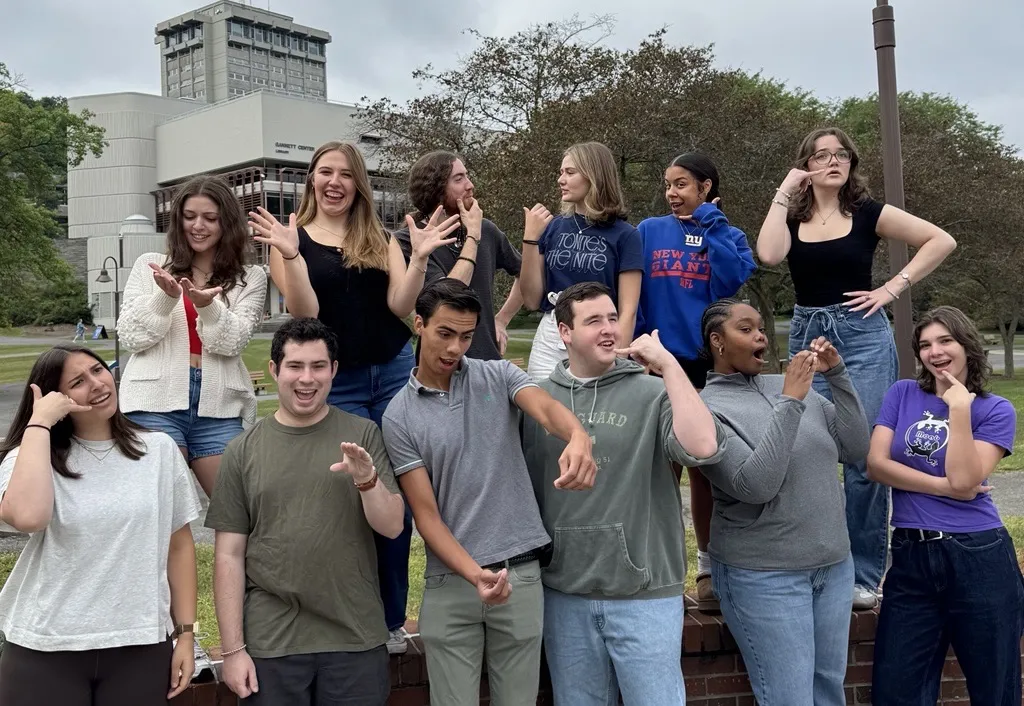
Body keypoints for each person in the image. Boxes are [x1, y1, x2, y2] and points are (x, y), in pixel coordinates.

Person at [250, 140, 457, 654]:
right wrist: (293, 253)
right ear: (312, 181)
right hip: (334, 383)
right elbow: (306, 313)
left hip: (391, 375)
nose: (335, 182)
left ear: (357, 182)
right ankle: (336, 613)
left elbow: (400, 304)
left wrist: (420, 259)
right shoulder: (287, 238)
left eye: (345, 173)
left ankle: (389, 619)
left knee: (398, 497)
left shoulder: (379, 236)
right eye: (325, 172)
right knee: (343, 501)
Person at [756, 127, 957, 609]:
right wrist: (785, 191)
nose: (832, 162)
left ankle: (863, 574)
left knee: (865, 456)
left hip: (861, 336)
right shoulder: (794, 214)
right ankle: (815, 562)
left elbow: (940, 240)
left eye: (841, 154)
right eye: (821, 155)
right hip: (809, 334)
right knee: (809, 450)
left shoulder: (867, 213)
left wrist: (891, 289)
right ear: (805, 163)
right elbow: (768, 254)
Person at [381, 279, 596, 706]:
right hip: (451, 582)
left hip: (520, 574)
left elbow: (546, 409)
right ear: (418, 325)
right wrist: (474, 574)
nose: (455, 348)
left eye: (465, 336)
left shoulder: (498, 375)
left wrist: (578, 436)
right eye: (445, 333)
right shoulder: (398, 416)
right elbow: (426, 518)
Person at [520, 281, 726, 706]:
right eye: (594, 320)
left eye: (613, 318)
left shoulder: (652, 394)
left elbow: (703, 447)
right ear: (565, 333)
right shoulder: (538, 402)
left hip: (644, 597)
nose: (609, 328)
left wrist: (669, 366)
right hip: (566, 595)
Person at [206, 318, 404, 706]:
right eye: (295, 366)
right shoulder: (243, 451)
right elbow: (228, 555)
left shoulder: (362, 435)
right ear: (275, 370)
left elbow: (393, 526)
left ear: (333, 370)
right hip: (273, 641)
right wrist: (232, 651)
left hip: (354, 635)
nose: (306, 379)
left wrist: (367, 481)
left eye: (318, 366)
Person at [0, 345, 202, 706]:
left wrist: (186, 634)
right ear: (54, 397)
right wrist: (39, 423)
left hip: (139, 643)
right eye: (77, 381)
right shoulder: (30, 454)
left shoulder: (158, 450)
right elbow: (29, 516)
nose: (96, 383)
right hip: (46, 645)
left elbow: (179, 546)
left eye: (98, 370)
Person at [696, 299, 870, 706]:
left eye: (761, 327)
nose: (761, 335)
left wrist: (839, 376)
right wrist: (791, 402)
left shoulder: (787, 385)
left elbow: (855, 446)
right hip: (764, 576)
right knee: (788, 697)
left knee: (828, 690)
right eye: (746, 329)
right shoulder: (705, 408)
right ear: (717, 342)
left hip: (833, 567)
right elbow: (756, 485)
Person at [868, 306, 1023, 705]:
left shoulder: (995, 410)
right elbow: (877, 465)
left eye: (945, 341)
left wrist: (958, 408)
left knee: (994, 689)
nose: (934, 352)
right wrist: (946, 487)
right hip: (911, 557)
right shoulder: (902, 394)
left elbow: (965, 479)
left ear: (966, 345)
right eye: (925, 345)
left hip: (979, 557)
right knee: (896, 691)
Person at [636, 152, 757, 612]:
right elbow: (637, 290)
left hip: (709, 367)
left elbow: (730, 281)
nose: (672, 192)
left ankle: (707, 567)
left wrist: (713, 226)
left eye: (682, 184)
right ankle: (659, 567)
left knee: (705, 468)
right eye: (668, 183)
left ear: (706, 187)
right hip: (659, 362)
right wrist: (644, 347)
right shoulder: (648, 231)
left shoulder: (727, 233)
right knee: (658, 469)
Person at [118, 174, 267, 498]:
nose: (198, 225)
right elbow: (130, 336)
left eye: (210, 218)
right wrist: (165, 299)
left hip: (219, 408)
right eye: (189, 216)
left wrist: (208, 307)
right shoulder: (151, 265)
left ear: (227, 223)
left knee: (240, 510)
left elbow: (233, 342)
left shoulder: (250, 278)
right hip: (153, 403)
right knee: (162, 514)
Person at [519, 141, 644, 381]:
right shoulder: (554, 227)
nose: (560, 179)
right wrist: (530, 240)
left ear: (593, 176)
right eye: (561, 172)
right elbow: (532, 299)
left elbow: (628, 311)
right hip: (552, 335)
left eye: (570, 172)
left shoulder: (626, 235)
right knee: (543, 413)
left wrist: (617, 361)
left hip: (600, 337)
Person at [394, 151, 524, 359]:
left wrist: (501, 320)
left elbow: (525, 273)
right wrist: (473, 237)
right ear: (435, 190)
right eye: (459, 178)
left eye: (467, 175)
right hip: (439, 365)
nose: (470, 184)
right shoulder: (409, 241)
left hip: (487, 363)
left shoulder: (487, 230)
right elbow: (448, 298)